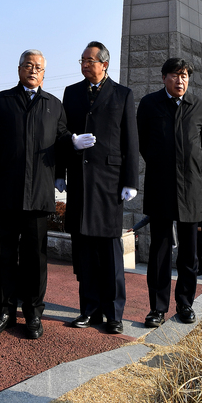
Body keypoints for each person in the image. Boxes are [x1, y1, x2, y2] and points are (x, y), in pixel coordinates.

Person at [0, 49, 69, 340]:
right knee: (4, 255)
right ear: (18, 69)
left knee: (35, 258)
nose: (33, 70)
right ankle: (4, 311)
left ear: (44, 73)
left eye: (38, 67)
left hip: (39, 196)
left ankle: (33, 313)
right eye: (28, 65)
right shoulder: (1, 101)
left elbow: (62, 141)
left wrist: (69, 153)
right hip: (7, 192)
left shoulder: (54, 105)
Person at [57, 42, 138, 335]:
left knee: (110, 250)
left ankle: (114, 313)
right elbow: (62, 132)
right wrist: (59, 171)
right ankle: (88, 310)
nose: (84, 64)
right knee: (85, 251)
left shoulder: (122, 95)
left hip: (109, 184)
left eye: (90, 60)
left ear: (104, 64)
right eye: (82, 60)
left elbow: (131, 141)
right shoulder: (72, 93)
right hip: (79, 181)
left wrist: (131, 181)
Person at [137, 57, 202, 328]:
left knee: (189, 253)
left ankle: (185, 303)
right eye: (176, 75)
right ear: (164, 77)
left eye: (185, 76)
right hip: (160, 187)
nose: (181, 81)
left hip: (191, 189)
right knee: (159, 251)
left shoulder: (199, 106)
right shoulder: (149, 104)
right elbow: (142, 143)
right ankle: (157, 308)